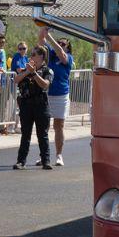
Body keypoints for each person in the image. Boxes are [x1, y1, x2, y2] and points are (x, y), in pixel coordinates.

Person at [14, 46, 53, 169]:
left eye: (34, 54)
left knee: (42, 134)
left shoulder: (47, 71)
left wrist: (34, 73)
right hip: (26, 104)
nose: (31, 57)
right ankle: (21, 161)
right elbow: (16, 79)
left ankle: (45, 160)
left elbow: (45, 85)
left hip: (41, 105)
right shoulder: (26, 69)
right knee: (25, 134)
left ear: (41, 56)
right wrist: (27, 71)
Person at [42, 28, 74, 167]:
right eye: (59, 42)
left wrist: (49, 36)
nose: (60, 45)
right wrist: (43, 28)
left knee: (58, 126)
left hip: (61, 95)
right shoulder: (50, 55)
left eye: (63, 44)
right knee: (43, 126)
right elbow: (40, 40)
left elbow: (60, 53)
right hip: (47, 94)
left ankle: (59, 155)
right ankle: (44, 155)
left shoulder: (68, 58)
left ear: (67, 47)